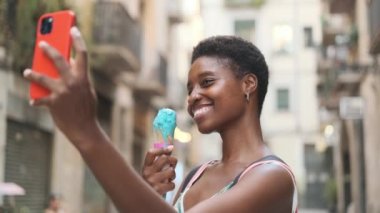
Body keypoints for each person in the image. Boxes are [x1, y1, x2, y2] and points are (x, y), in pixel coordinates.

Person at [23, 27, 297, 212]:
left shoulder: (272, 178)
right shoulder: (196, 176)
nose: (193, 96)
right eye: (190, 89)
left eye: (207, 82)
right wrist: (151, 193)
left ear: (248, 84)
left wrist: (87, 133)